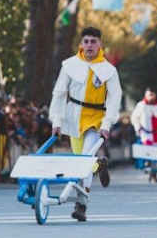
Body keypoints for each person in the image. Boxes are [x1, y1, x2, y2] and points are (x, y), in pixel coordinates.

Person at [49, 27, 122, 222]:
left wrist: (107, 123)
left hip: (96, 119)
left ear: (100, 44)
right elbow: (58, 93)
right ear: (81, 44)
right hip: (74, 118)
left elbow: (115, 98)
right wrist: (56, 120)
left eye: (93, 41)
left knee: (84, 158)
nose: (89, 45)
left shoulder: (109, 70)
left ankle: (81, 204)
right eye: (86, 41)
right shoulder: (69, 65)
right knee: (79, 159)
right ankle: (99, 165)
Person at [131, 87, 157, 183]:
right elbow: (134, 118)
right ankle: (148, 166)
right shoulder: (141, 105)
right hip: (145, 133)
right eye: (149, 95)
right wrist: (138, 128)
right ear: (146, 95)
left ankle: (154, 173)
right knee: (148, 150)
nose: (150, 97)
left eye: (152, 95)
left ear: (155, 95)